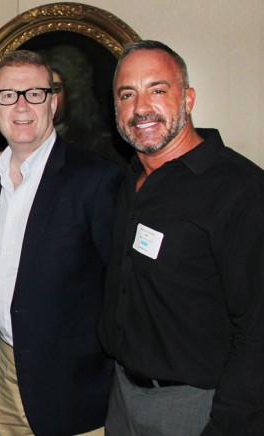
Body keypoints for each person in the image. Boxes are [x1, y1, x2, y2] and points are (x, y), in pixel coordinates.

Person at [99, 40, 264, 435]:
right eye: (127, 94)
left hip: (197, 408)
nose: (141, 108)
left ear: (187, 98)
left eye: (157, 90)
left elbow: (258, 329)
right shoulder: (129, 181)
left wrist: (229, 424)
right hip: (121, 396)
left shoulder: (240, 190)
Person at [0, 50, 122, 435]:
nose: (21, 105)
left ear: (53, 102)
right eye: (8, 94)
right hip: (3, 372)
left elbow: (120, 288)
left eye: (35, 94)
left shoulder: (96, 179)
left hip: (72, 386)